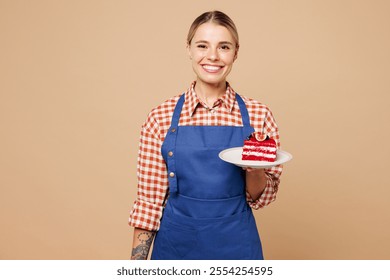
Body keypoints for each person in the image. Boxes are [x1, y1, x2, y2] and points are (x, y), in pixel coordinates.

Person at [128, 10, 283, 260]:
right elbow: (148, 204)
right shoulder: (161, 117)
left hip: (237, 248)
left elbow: (260, 198)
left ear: (236, 52)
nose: (213, 56)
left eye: (224, 47)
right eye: (202, 46)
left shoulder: (258, 116)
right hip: (175, 249)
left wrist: (256, 170)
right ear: (189, 49)